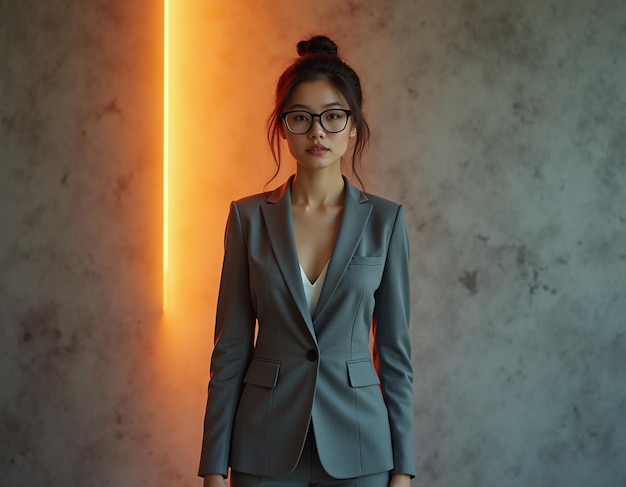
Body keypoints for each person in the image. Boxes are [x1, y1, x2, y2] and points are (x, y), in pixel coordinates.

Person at [199, 35, 415, 487]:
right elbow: (231, 348)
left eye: (333, 117)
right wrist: (214, 466)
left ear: (353, 127)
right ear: (282, 127)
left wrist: (404, 469)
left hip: (361, 445)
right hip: (264, 443)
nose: (318, 131)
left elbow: (394, 353)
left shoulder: (386, 221)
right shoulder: (247, 218)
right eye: (301, 118)